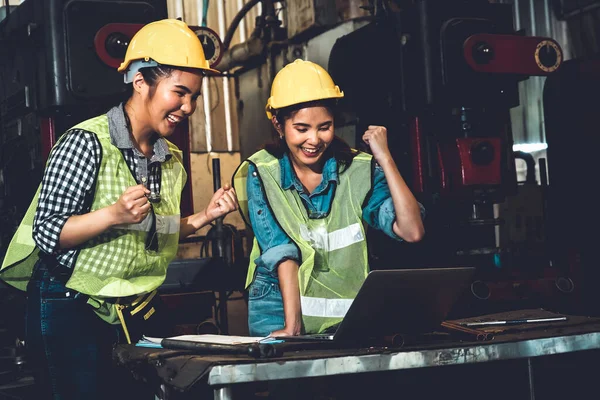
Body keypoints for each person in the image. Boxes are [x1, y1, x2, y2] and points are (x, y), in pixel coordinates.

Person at [0, 19, 238, 399]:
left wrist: (204, 217)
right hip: (68, 303)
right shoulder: (85, 142)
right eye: (179, 93)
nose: (188, 107)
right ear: (141, 81)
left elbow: (153, 229)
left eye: (193, 96)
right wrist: (112, 214)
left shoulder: (169, 158)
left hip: (129, 309)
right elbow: (47, 232)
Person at [233, 59, 425, 337]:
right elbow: (280, 249)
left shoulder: (359, 170)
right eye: (301, 129)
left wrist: (384, 157)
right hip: (278, 309)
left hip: (344, 312)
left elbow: (412, 230)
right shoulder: (261, 172)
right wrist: (293, 326)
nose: (314, 140)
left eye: (325, 127)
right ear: (278, 124)